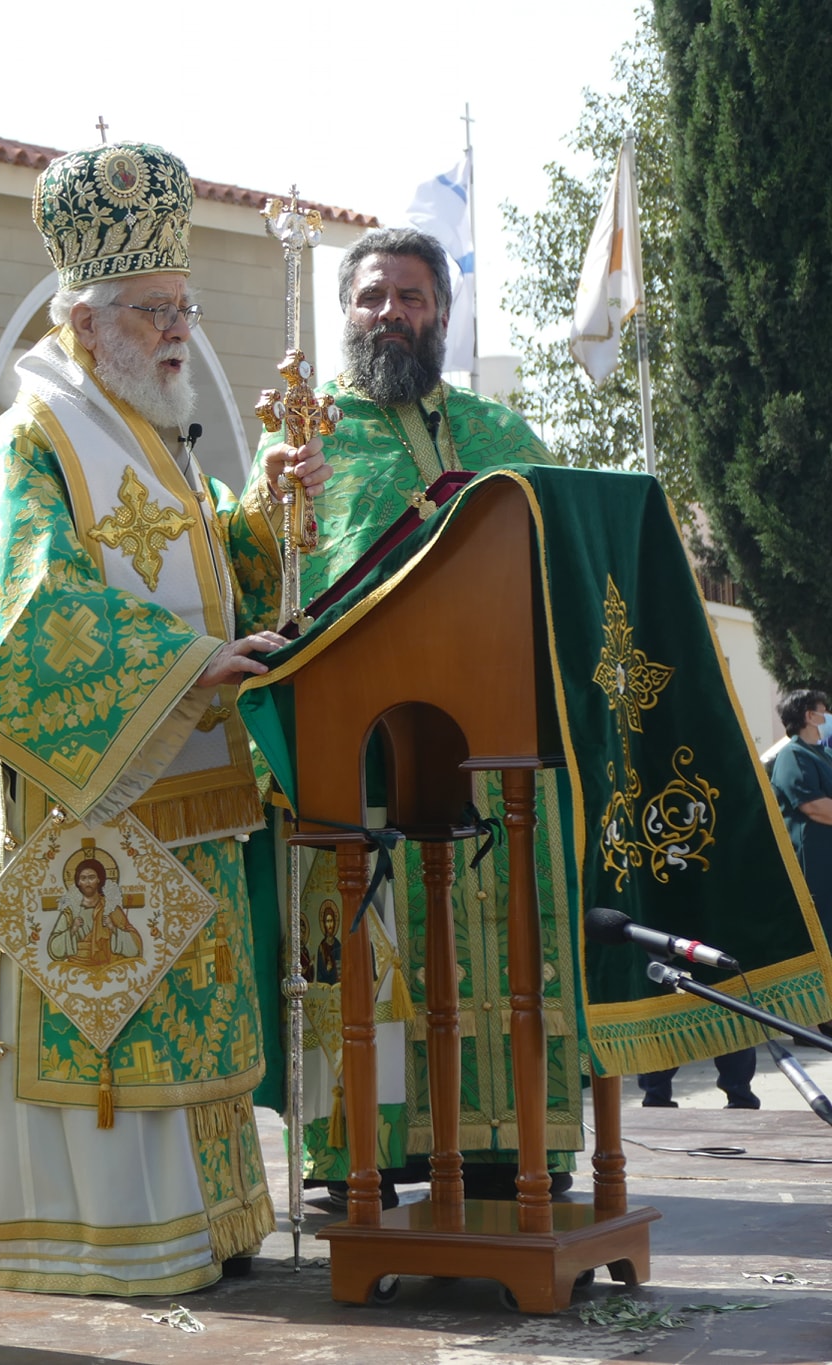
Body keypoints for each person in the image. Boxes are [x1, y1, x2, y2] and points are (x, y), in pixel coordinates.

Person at [0, 141, 327, 1295]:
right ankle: (97, 1240)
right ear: (83, 316)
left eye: (181, 307)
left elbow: (210, 578)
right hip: (76, 810)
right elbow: (19, 625)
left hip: (178, 796)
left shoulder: (153, 442)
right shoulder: (32, 443)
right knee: (107, 1030)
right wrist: (192, 664)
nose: (175, 331)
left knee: (182, 1022)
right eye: (151, 310)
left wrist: (263, 517)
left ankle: (206, 1225)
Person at [240, 226, 584, 1205]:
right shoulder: (301, 440)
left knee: (513, 939)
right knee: (363, 945)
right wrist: (272, 510)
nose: (389, 313)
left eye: (409, 297)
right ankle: (359, 1151)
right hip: (366, 752)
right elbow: (267, 583)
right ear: (344, 312)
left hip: (496, 746)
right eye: (369, 298)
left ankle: (514, 1141)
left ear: (440, 312)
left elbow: (552, 571)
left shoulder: (504, 438)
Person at [771, 688, 832, 952]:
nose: (828, 716)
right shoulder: (792, 755)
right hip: (816, 868)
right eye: (825, 710)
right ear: (810, 715)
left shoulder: (824, 755)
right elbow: (814, 807)